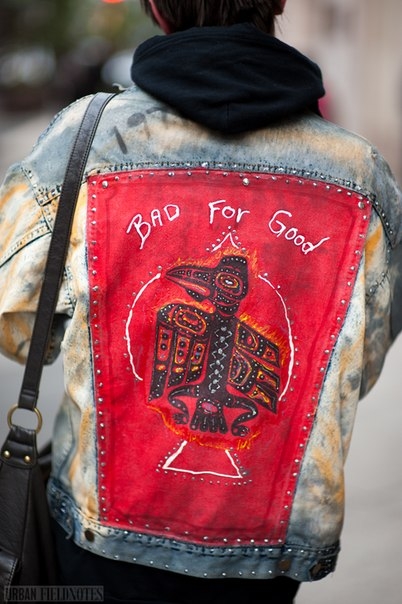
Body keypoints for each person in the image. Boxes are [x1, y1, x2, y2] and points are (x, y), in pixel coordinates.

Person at [0, 1, 401, 602]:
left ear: (155, 6)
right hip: (266, 557)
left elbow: (18, 328)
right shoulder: (359, 174)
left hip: (99, 541)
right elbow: (351, 368)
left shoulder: (86, 143)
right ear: (278, 3)